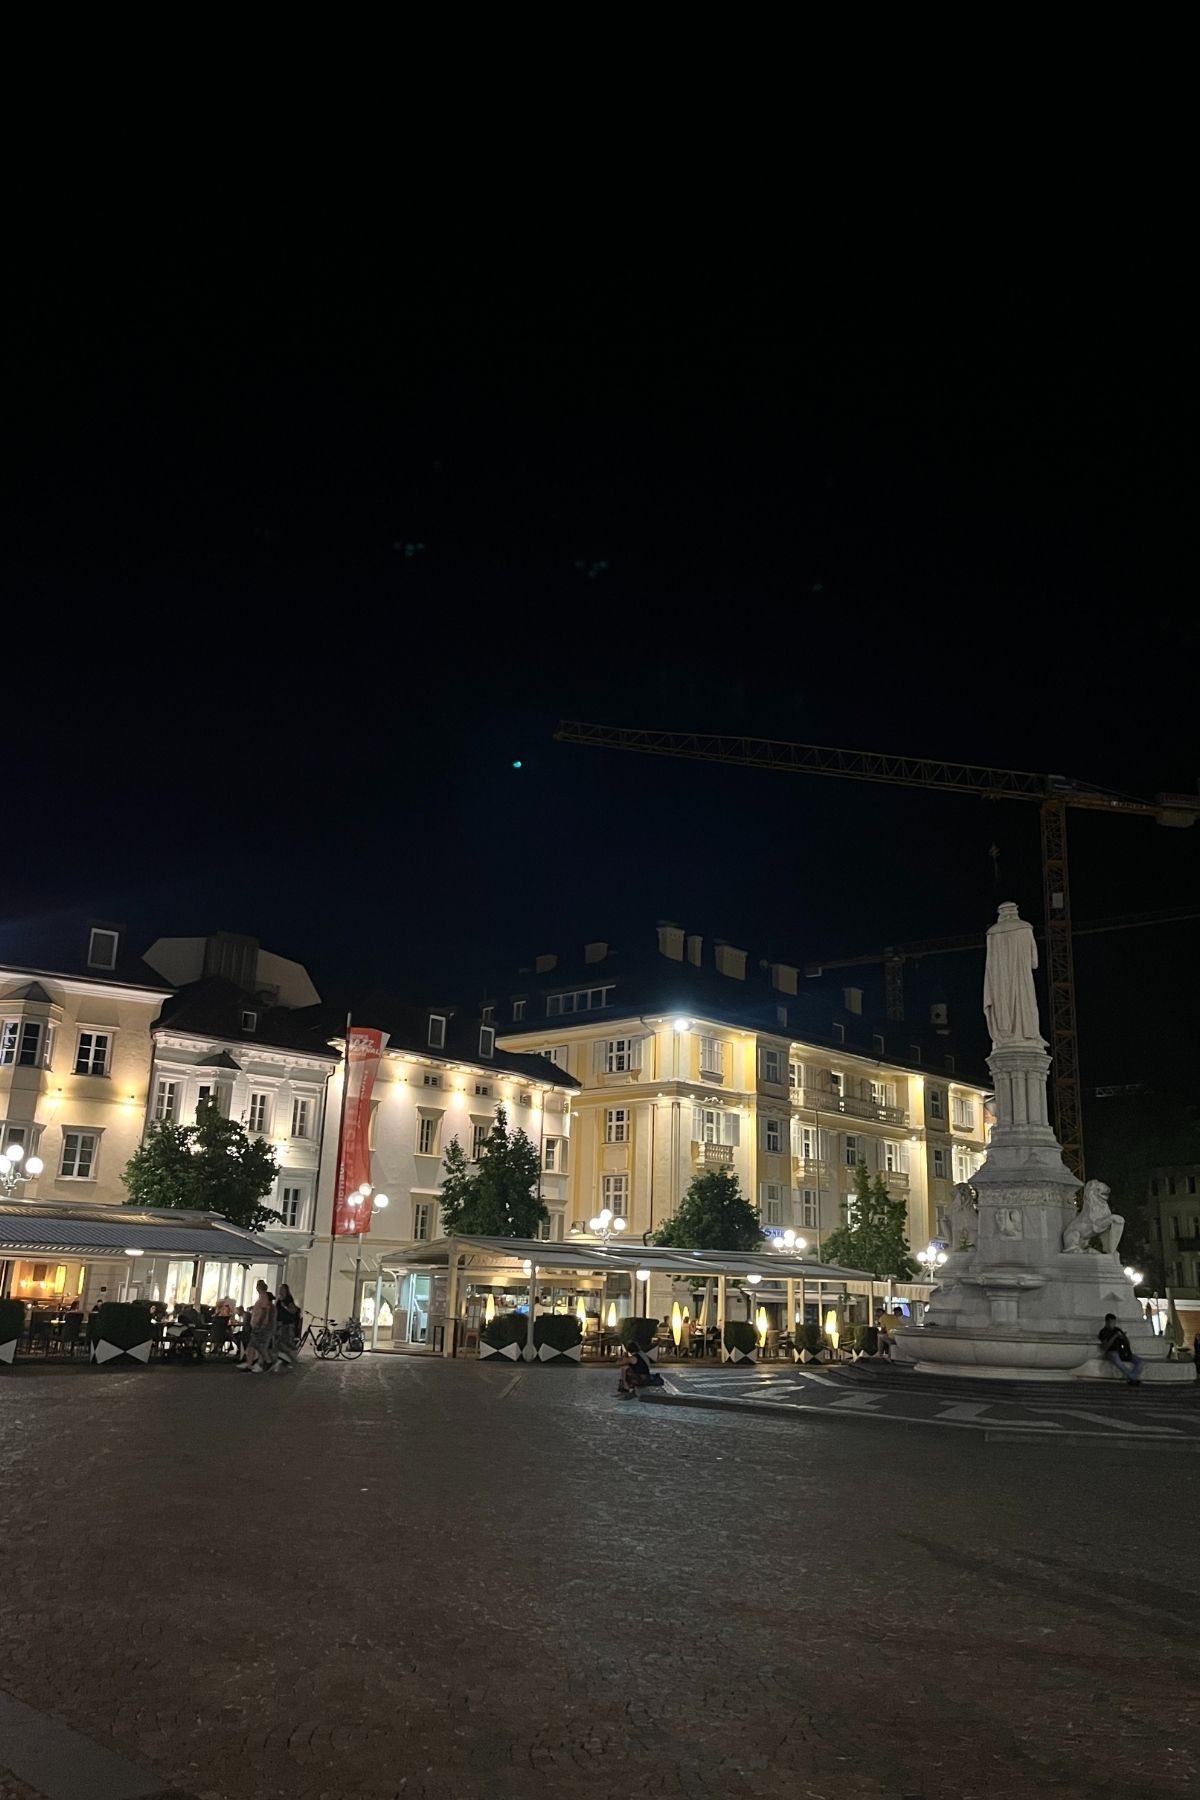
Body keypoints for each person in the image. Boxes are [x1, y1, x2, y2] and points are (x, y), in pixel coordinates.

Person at [239, 1281, 275, 1374]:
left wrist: (259, 1324)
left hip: (259, 1326)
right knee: (253, 1345)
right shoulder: (262, 1298)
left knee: (256, 1345)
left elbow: (263, 1312)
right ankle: (251, 1364)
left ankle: (267, 1361)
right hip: (258, 1325)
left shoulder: (263, 1298)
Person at [1097, 1313, 1143, 1385]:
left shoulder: (1117, 1329)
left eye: (1114, 1322)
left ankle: (1132, 1378)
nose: (1113, 1324)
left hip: (1122, 1351)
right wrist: (1114, 1336)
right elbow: (1105, 1347)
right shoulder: (1103, 1332)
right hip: (1111, 1352)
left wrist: (1123, 1337)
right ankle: (1133, 1378)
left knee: (1140, 1362)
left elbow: (1127, 1343)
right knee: (1119, 1362)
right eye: (1111, 1322)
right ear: (1106, 1322)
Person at [275, 1284, 301, 1364]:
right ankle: (284, 1358)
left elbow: (293, 1310)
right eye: (279, 1289)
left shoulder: (288, 1299)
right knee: (280, 1341)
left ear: (286, 1290)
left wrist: (285, 1307)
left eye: (282, 1289)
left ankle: (292, 1357)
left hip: (288, 1324)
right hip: (281, 1324)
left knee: (288, 1341)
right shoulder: (279, 1299)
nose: (280, 1291)